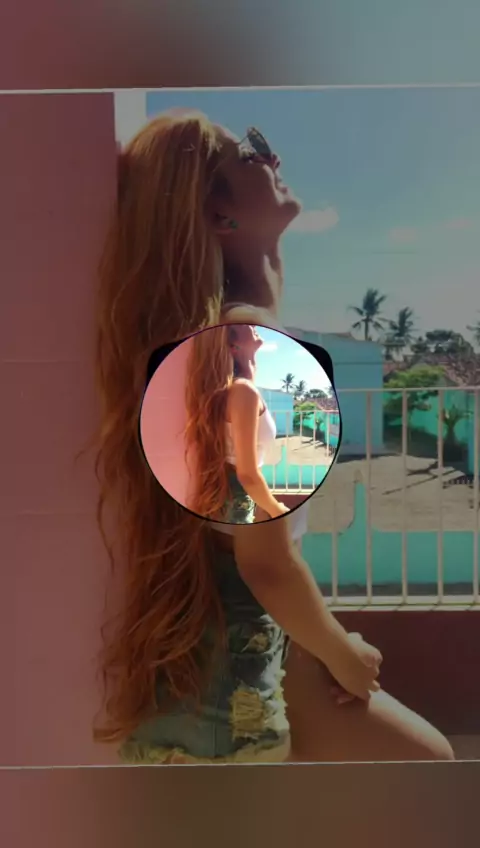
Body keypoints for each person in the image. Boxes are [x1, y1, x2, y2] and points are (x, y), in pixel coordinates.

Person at [93, 109, 454, 763]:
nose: (275, 158)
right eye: (253, 150)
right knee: (431, 770)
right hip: (234, 707)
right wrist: (344, 654)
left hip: (197, 692)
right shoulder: (259, 351)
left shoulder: (212, 346)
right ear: (220, 214)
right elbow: (266, 564)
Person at [183, 322, 290, 524]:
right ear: (233, 346)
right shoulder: (243, 391)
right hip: (236, 495)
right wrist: (277, 510)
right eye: (243, 322)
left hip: (232, 493)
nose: (252, 324)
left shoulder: (239, 389)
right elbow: (247, 474)